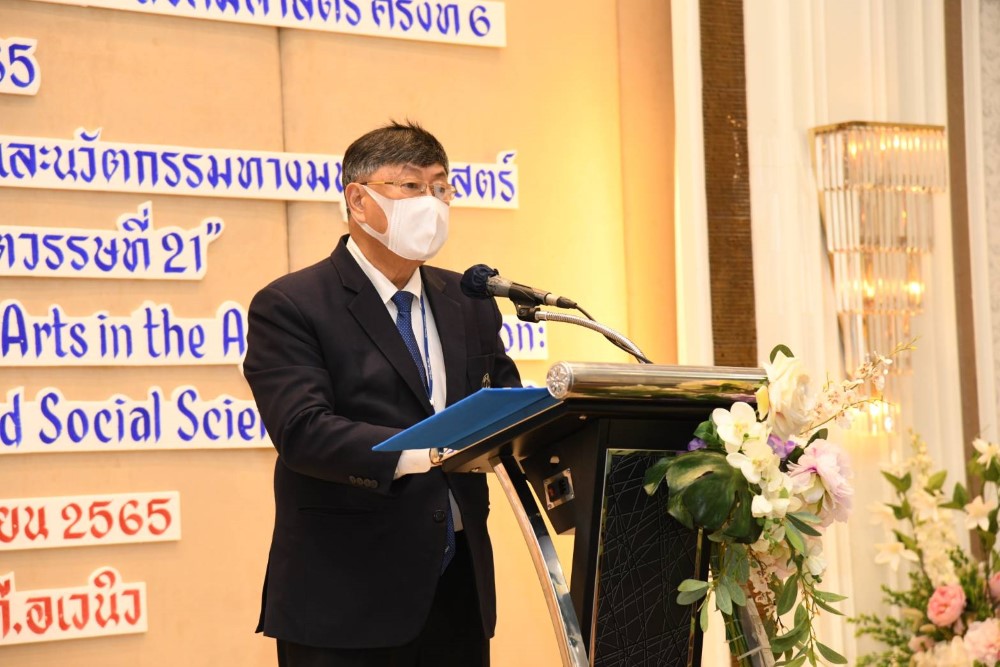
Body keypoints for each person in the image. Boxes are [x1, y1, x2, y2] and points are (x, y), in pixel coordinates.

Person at [243, 121, 521, 667]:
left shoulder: (469, 300)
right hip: (344, 598)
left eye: (441, 187)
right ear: (358, 201)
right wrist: (431, 451)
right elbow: (303, 431)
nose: (431, 203)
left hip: (457, 591)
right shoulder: (292, 304)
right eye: (411, 186)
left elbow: (502, 401)